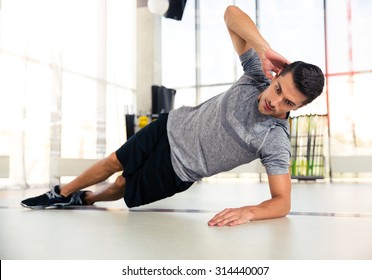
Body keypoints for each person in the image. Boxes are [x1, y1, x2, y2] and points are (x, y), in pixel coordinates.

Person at [21, 5, 324, 227]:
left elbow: (282, 201)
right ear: (276, 74)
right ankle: (61, 193)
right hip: (170, 126)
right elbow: (231, 13)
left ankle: (85, 199)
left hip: (178, 170)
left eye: (288, 103)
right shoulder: (257, 74)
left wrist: (251, 211)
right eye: (279, 88)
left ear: (298, 108)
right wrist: (263, 47)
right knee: (115, 160)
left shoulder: (275, 140)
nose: (276, 101)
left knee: (121, 185)